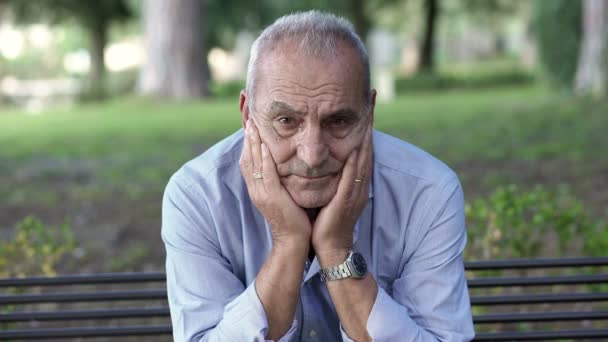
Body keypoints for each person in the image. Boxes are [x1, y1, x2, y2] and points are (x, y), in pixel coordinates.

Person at [162, 10, 475, 342]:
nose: (312, 155)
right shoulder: (197, 196)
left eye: (338, 122)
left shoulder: (427, 193)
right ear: (247, 114)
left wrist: (336, 248)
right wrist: (289, 243)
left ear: (369, 113)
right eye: (286, 121)